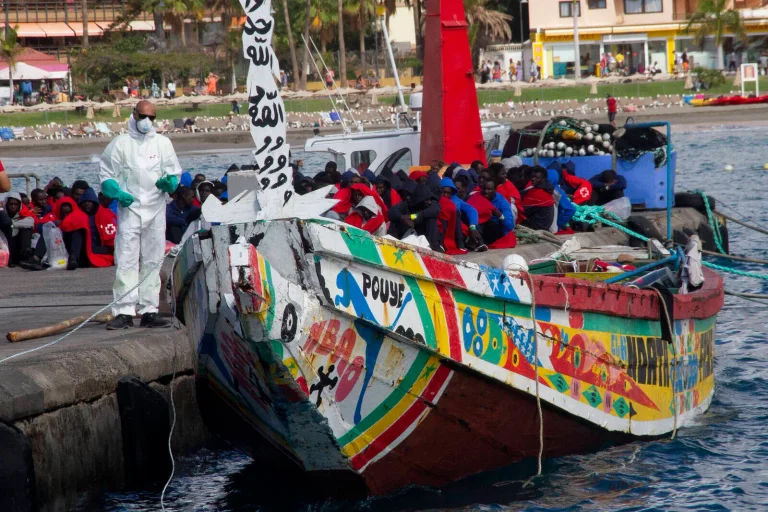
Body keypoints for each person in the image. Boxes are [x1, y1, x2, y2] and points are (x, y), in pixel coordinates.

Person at [99, 99, 182, 330]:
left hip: (155, 209)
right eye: (143, 116)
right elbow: (106, 176)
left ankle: (149, 310)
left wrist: (169, 183)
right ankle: (124, 311)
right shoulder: (120, 144)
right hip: (130, 209)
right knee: (126, 259)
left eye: (152, 118)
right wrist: (116, 193)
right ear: (134, 114)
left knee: (153, 259)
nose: (147, 122)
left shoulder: (163, 143)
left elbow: (174, 174)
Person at [388, 184, 442, 251]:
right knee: (395, 219)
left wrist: (412, 216)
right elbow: (391, 211)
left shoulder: (431, 205)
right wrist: (403, 218)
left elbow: (436, 210)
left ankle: (434, 249)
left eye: (429, 199)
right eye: (426, 200)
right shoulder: (407, 204)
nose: (429, 202)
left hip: (424, 238)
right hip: (405, 236)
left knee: (431, 219)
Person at [441, 177, 485, 251]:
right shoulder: (437, 200)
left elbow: (472, 210)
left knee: (470, 222)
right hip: (443, 226)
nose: (446, 195)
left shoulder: (455, 200)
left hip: (457, 226)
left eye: (448, 193)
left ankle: (478, 242)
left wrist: (472, 227)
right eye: (443, 192)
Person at [1, 192, 34, 266]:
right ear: (6, 204)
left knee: (26, 229)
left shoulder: (22, 213)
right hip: (5, 245)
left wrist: (12, 225)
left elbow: (30, 222)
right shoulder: (2, 215)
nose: (13, 207)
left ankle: (25, 256)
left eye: (15, 204)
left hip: (18, 244)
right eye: (11, 204)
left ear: (19, 205)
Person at [521, 167, 556, 232]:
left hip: (538, 226)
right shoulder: (547, 189)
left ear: (543, 179)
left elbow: (523, 210)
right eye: (532, 177)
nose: (533, 179)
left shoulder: (539, 193)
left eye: (537, 177)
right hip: (545, 225)